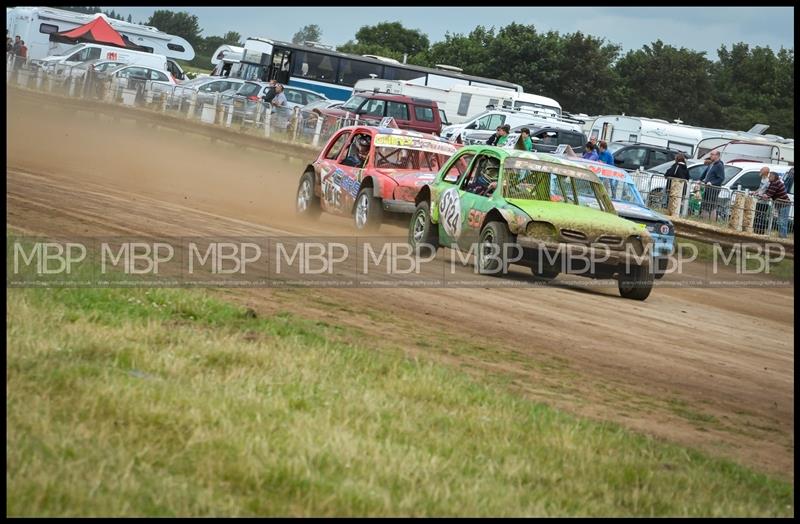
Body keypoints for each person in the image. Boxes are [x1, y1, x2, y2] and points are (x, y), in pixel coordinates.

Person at [758, 171, 792, 238]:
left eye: (770, 176)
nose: (769, 177)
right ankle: (781, 236)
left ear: (774, 177)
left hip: (784, 204)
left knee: (782, 222)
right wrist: (761, 194)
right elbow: (767, 192)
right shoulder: (773, 183)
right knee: (780, 222)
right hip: (781, 204)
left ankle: (783, 238)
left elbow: (769, 194)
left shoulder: (776, 183)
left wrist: (762, 195)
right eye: (769, 176)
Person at [700, 150, 725, 221]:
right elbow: (706, 172)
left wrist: (712, 183)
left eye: (712, 154)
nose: (710, 156)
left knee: (711, 205)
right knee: (705, 203)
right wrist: (700, 179)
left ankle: (711, 221)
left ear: (717, 156)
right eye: (710, 154)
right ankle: (704, 219)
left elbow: (721, 178)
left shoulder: (719, 165)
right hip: (708, 188)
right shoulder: (712, 164)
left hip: (713, 189)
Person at [752, 167, 772, 235]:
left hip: (764, 202)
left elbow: (764, 189)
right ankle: (755, 229)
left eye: (762, 170)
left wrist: (760, 194)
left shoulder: (767, 180)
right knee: (757, 215)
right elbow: (760, 188)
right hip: (759, 200)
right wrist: (755, 192)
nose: (760, 171)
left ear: (766, 172)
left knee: (762, 216)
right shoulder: (762, 179)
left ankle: (761, 231)